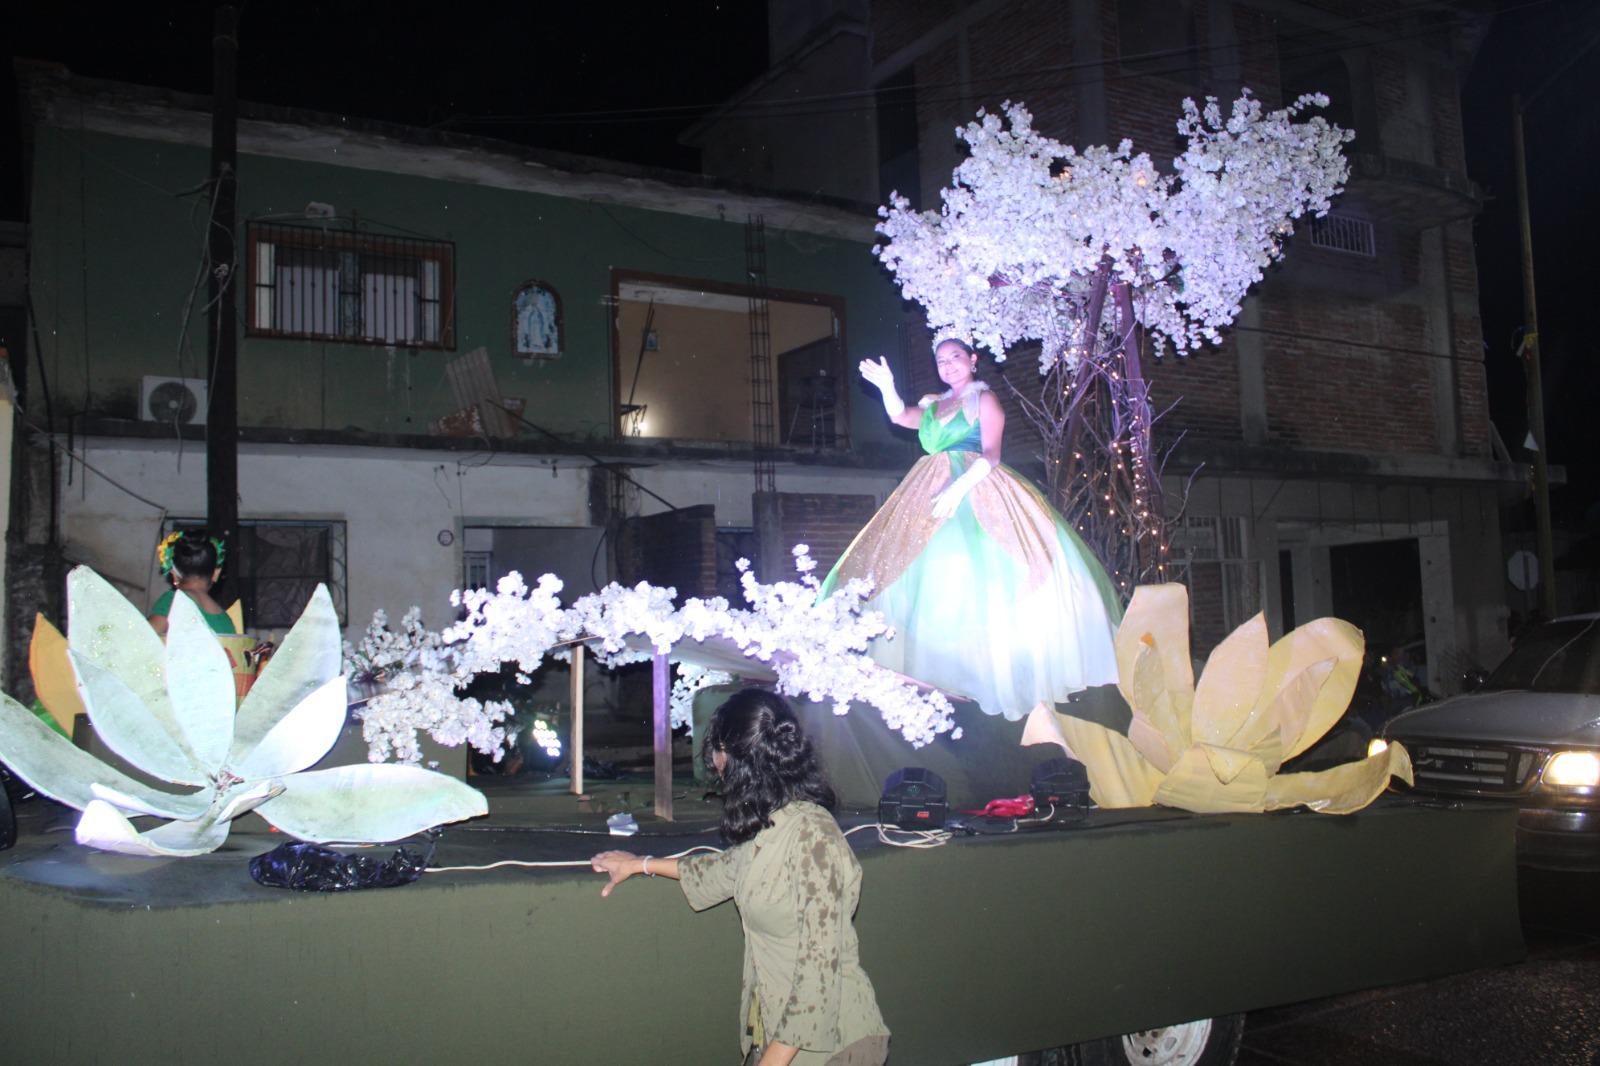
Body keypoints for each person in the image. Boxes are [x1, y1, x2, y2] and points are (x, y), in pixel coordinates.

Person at [817, 339, 1121, 719]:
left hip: (976, 486)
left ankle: (992, 675)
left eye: (955, 357)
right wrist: (886, 388)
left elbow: (992, 454)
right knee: (909, 567)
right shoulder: (932, 403)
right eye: (941, 361)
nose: (948, 366)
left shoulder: (985, 400)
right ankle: (934, 671)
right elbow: (902, 417)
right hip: (926, 489)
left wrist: (959, 487)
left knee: (981, 569)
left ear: (973, 360)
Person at [591, 689, 890, 1066]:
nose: (714, 765)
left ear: (735, 759)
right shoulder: (774, 825)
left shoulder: (813, 835)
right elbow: (723, 870)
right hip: (780, 1033)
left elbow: (818, 967)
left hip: (834, 1044)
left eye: (716, 752)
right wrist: (640, 863)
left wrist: (773, 1061)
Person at [148, 530, 238, 637]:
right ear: (216, 573)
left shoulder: (173, 602)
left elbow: (145, 642)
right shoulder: (226, 621)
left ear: (174, 574)